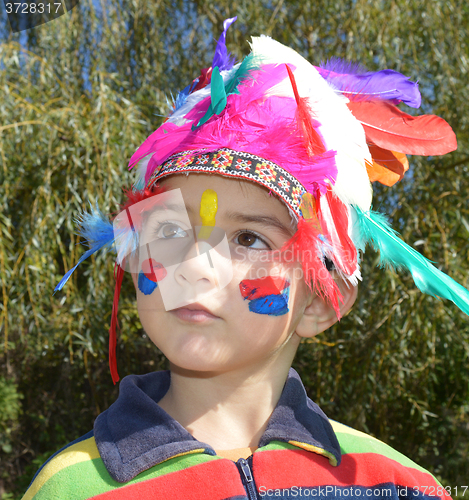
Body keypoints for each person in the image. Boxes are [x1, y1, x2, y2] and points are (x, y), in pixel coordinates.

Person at [22, 17, 467, 500]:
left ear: (321, 299)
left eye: (250, 239)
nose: (194, 265)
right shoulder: (69, 488)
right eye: (169, 229)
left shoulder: (394, 484)